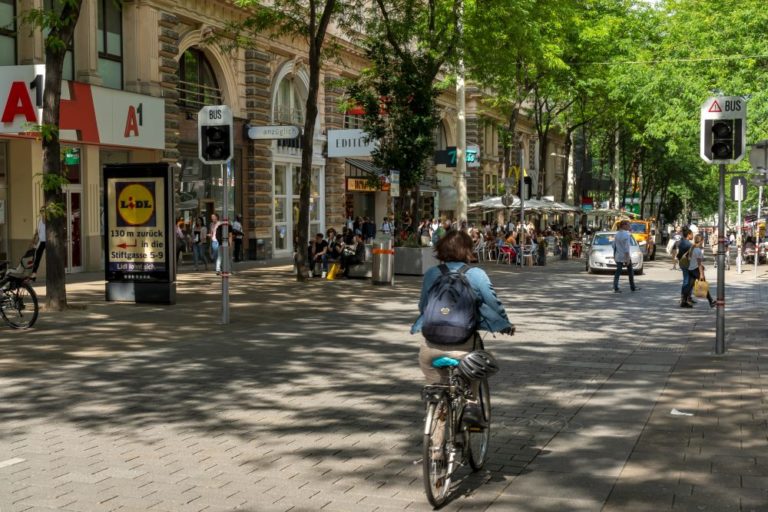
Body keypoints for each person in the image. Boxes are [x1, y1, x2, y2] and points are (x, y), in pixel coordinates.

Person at [411, 230, 514, 424]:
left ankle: (435, 443)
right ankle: (470, 404)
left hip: (430, 348)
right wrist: (505, 324)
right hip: (463, 349)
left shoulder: (432, 273)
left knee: (437, 394)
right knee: (473, 374)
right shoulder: (476, 274)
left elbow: (422, 306)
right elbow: (493, 303)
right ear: (468, 250)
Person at [688, 234, 716, 308]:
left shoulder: (693, 248)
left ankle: (685, 300)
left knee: (690, 286)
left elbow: (691, 259)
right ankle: (711, 301)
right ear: (701, 241)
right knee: (704, 286)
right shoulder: (697, 250)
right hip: (696, 270)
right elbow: (699, 263)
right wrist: (701, 274)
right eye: (703, 240)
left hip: (691, 269)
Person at [612, 220, 638, 293]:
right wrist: (627, 259)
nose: (629, 226)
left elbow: (613, 245)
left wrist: (614, 255)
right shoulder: (627, 235)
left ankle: (615, 287)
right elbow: (627, 248)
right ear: (624, 226)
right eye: (628, 225)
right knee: (630, 271)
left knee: (618, 271)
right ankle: (632, 287)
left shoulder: (617, 234)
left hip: (618, 255)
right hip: (625, 255)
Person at [677, 227, 694, 307]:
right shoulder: (689, 244)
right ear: (688, 235)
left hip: (682, 263)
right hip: (687, 264)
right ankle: (684, 300)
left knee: (687, 281)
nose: (693, 235)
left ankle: (686, 298)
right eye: (692, 234)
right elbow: (692, 256)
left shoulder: (681, 242)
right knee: (687, 282)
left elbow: (679, 254)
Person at [30, 207, 46, 280]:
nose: (42, 213)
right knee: (37, 258)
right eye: (41, 211)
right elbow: (37, 231)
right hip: (41, 242)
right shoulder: (39, 220)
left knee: (49, 258)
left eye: (43, 211)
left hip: (48, 242)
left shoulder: (48, 221)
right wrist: (34, 240)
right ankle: (33, 274)